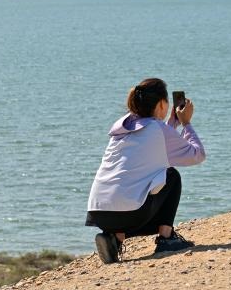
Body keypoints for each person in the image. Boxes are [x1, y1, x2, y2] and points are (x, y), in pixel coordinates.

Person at [86, 78, 206, 264]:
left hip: (99, 214)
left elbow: (155, 142)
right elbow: (197, 155)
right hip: (131, 215)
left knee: (135, 188)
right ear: (160, 104)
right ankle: (166, 238)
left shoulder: (122, 127)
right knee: (171, 176)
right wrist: (186, 123)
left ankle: (114, 239)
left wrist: (172, 123)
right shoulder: (158, 129)